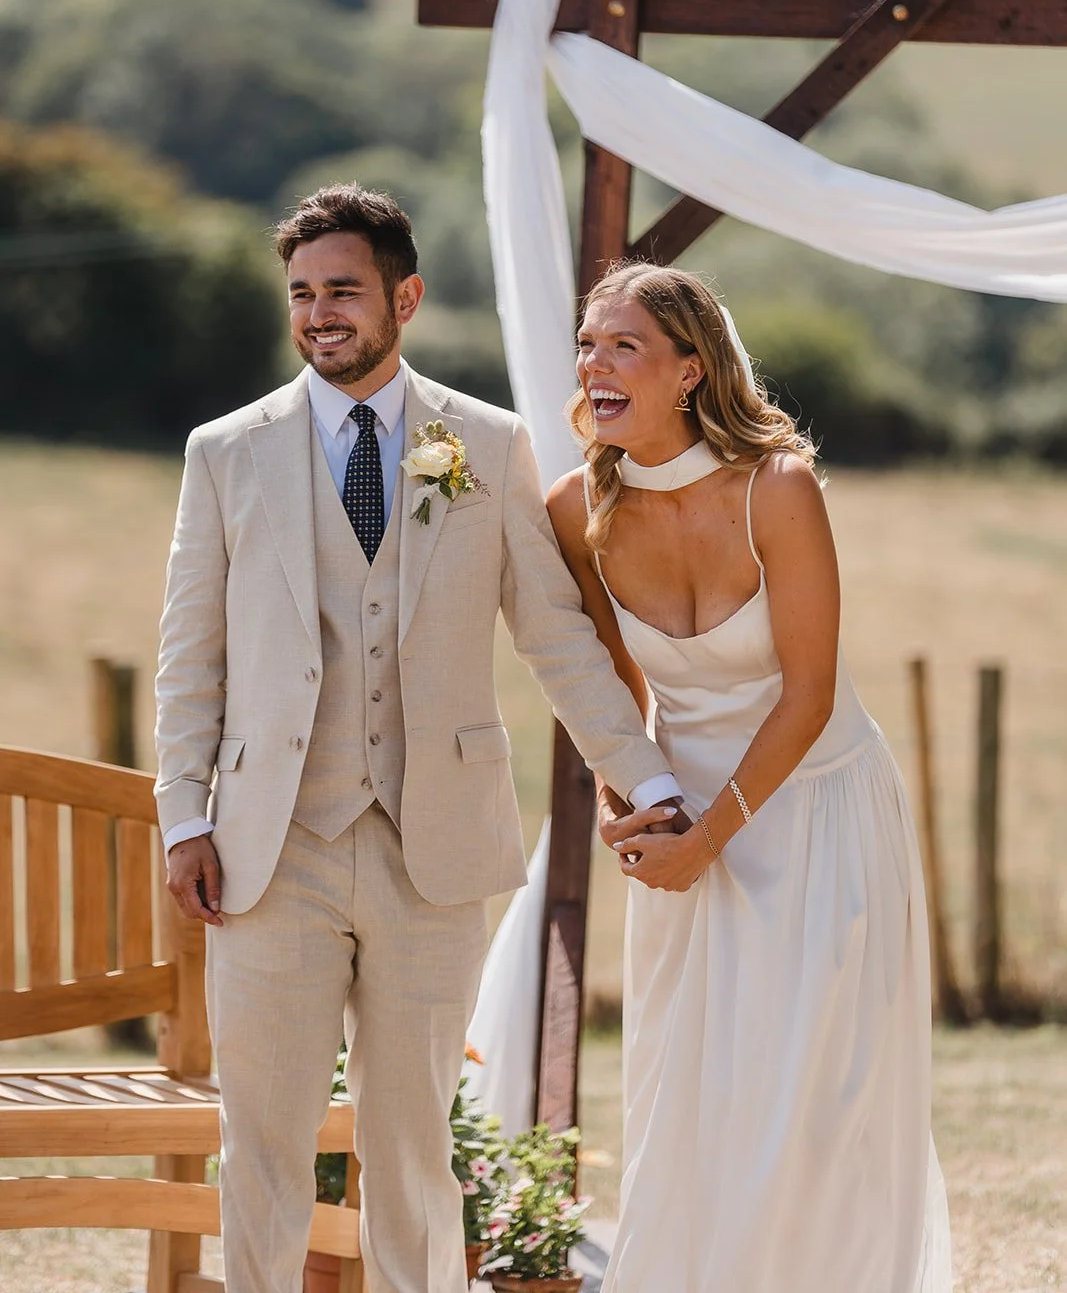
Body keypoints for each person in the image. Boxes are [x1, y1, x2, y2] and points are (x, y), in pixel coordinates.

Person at [153, 188, 683, 1293]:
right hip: (268, 849)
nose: (318, 313)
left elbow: (556, 638)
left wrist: (642, 772)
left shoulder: (482, 445)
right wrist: (186, 815)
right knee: (262, 1152)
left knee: (412, 1153)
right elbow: (188, 653)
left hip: (430, 851)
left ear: (404, 296)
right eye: (301, 294)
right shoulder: (223, 453)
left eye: (341, 289)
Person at [547, 261, 952, 1293]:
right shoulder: (571, 509)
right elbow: (613, 694)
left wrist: (705, 837)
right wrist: (627, 807)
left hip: (815, 808)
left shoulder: (777, 487)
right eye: (587, 343)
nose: (594, 362)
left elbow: (807, 692)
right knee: (693, 1092)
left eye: (621, 345)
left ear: (688, 369)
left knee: (814, 1101)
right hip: (683, 828)